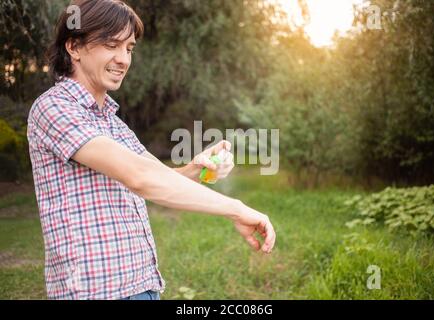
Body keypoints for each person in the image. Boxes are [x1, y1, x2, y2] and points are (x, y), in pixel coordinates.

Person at [26, 0, 276, 300]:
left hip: (142, 287)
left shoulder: (114, 125)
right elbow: (140, 177)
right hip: (94, 293)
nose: (123, 59)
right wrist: (235, 209)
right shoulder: (54, 108)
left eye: (129, 48)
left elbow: (158, 177)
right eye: (111, 45)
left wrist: (197, 167)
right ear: (74, 47)